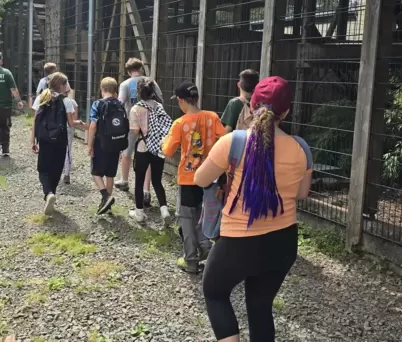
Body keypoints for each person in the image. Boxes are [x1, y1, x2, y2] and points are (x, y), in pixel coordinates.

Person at [194, 76, 312, 342]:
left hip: (239, 240)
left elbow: (200, 179)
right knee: (260, 306)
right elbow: (301, 193)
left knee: (214, 292)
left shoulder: (233, 142)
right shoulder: (302, 149)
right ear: (287, 111)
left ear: (251, 105)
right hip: (283, 242)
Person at [162, 82, 225, 274]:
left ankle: (191, 260)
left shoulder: (180, 123)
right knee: (203, 215)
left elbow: (168, 150)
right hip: (208, 176)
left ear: (181, 100)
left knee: (186, 219)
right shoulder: (212, 117)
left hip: (188, 178)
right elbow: (224, 139)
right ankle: (207, 249)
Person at [31, 72, 82, 215]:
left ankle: (48, 194)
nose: (67, 86)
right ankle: (52, 193)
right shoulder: (66, 101)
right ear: (61, 85)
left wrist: (33, 141)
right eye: (65, 83)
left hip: (45, 138)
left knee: (43, 169)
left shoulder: (42, 97)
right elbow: (71, 124)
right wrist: (81, 123)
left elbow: (35, 121)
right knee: (56, 168)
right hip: (60, 139)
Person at [116, 58, 164, 207]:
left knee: (127, 152)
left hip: (132, 123)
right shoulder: (151, 82)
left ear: (129, 71)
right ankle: (146, 191)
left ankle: (124, 180)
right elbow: (160, 100)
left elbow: (120, 102)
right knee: (148, 155)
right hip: (150, 125)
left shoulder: (125, 84)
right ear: (141, 68)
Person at [129, 78, 172, 224]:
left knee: (139, 181)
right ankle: (164, 210)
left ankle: (139, 213)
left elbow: (135, 132)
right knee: (157, 181)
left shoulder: (135, 109)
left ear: (139, 92)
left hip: (143, 147)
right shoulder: (159, 106)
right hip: (158, 148)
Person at [88, 77, 123, 215]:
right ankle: (107, 205)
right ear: (115, 90)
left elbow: (93, 125)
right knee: (110, 174)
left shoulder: (98, 104)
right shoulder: (119, 104)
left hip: (100, 143)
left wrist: (90, 145)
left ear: (102, 89)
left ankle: (105, 196)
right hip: (116, 142)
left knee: (95, 172)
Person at [221, 69, 260, 134]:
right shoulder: (261, 103)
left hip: (238, 142)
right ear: (257, 86)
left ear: (239, 84)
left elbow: (227, 130)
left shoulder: (234, 103)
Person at [62, 85, 80, 185]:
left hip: (53, 130)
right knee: (68, 150)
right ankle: (67, 174)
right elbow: (74, 119)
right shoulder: (71, 102)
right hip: (68, 128)